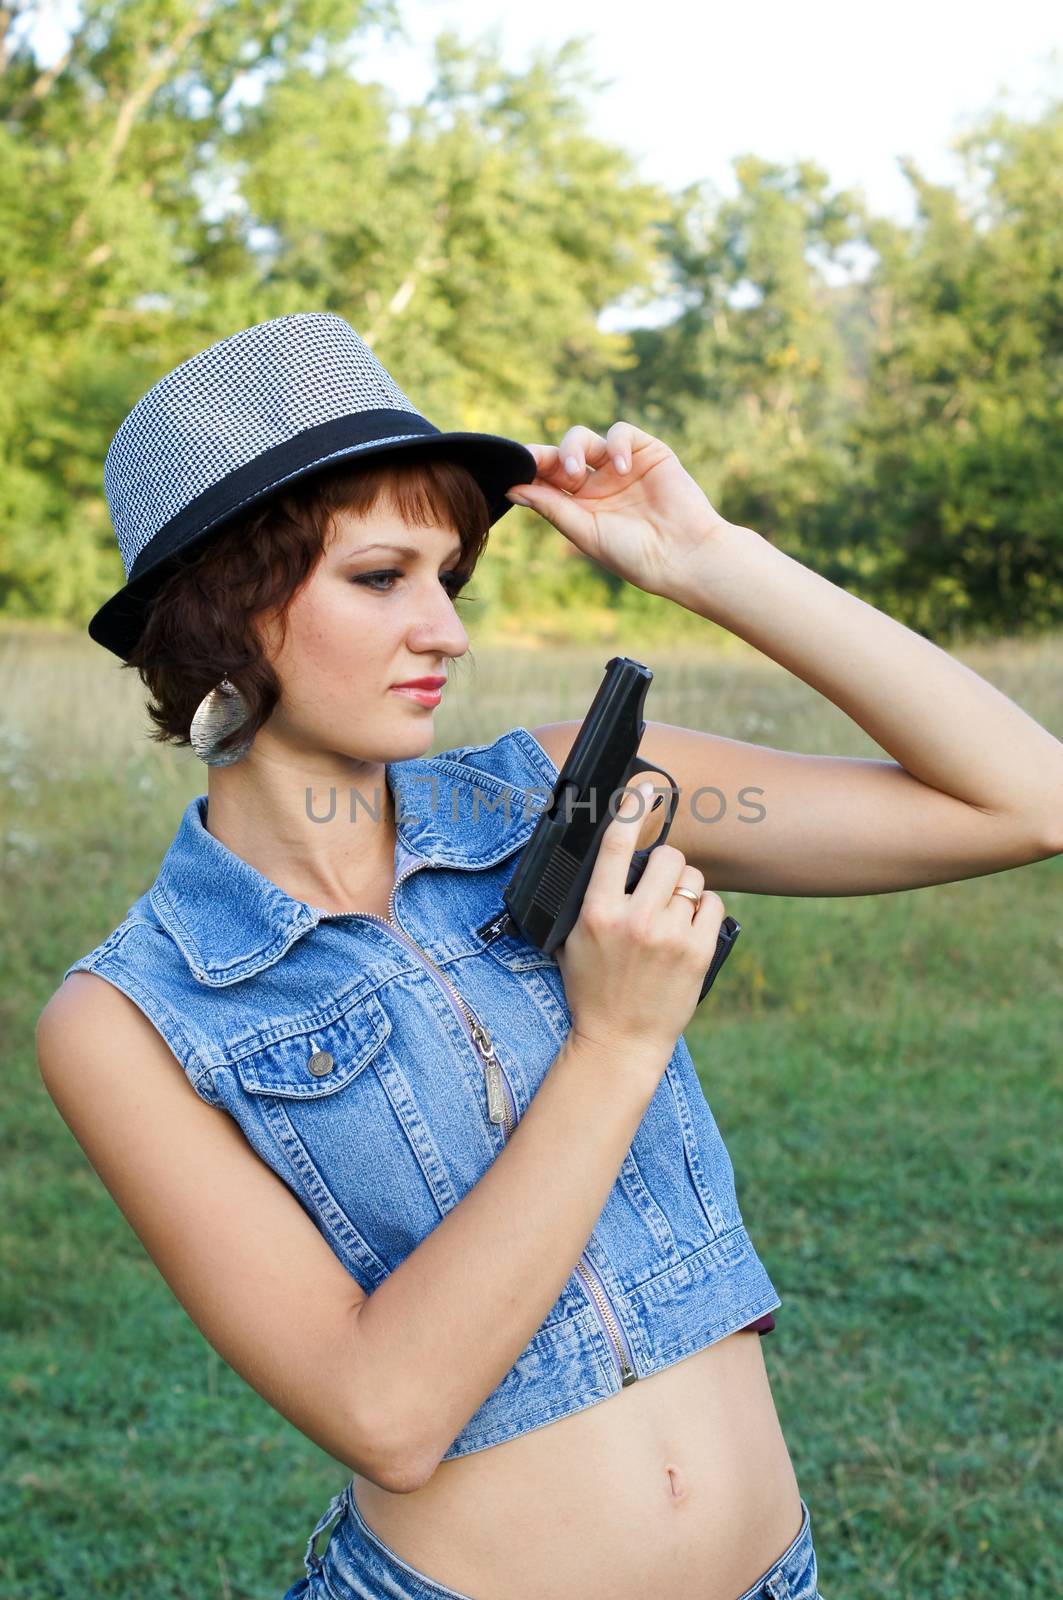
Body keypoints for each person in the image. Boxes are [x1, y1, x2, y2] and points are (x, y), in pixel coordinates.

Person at [35, 313, 1062, 1600]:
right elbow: (386, 1410)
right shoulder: (129, 1016)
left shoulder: (562, 788)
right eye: (379, 577)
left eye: (449, 579)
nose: (446, 632)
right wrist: (617, 1041)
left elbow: (1025, 801)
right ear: (221, 613)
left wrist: (708, 559)